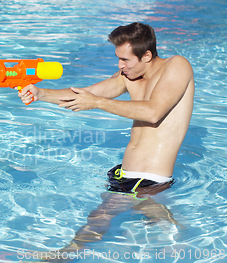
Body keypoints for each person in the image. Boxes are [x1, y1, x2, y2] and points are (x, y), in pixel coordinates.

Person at [17, 22, 194, 261]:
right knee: (148, 220)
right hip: (127, 175)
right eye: (118, 58)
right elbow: (88, 93)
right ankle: (167, 226)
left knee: (101, 215)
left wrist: (97, 104)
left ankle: (63, 255)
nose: (120, 66)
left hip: (151, 178)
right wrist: (41, 94)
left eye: (125, 60)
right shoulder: (128, 76)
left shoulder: (177, 66)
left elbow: (154, 112)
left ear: (147, 55)